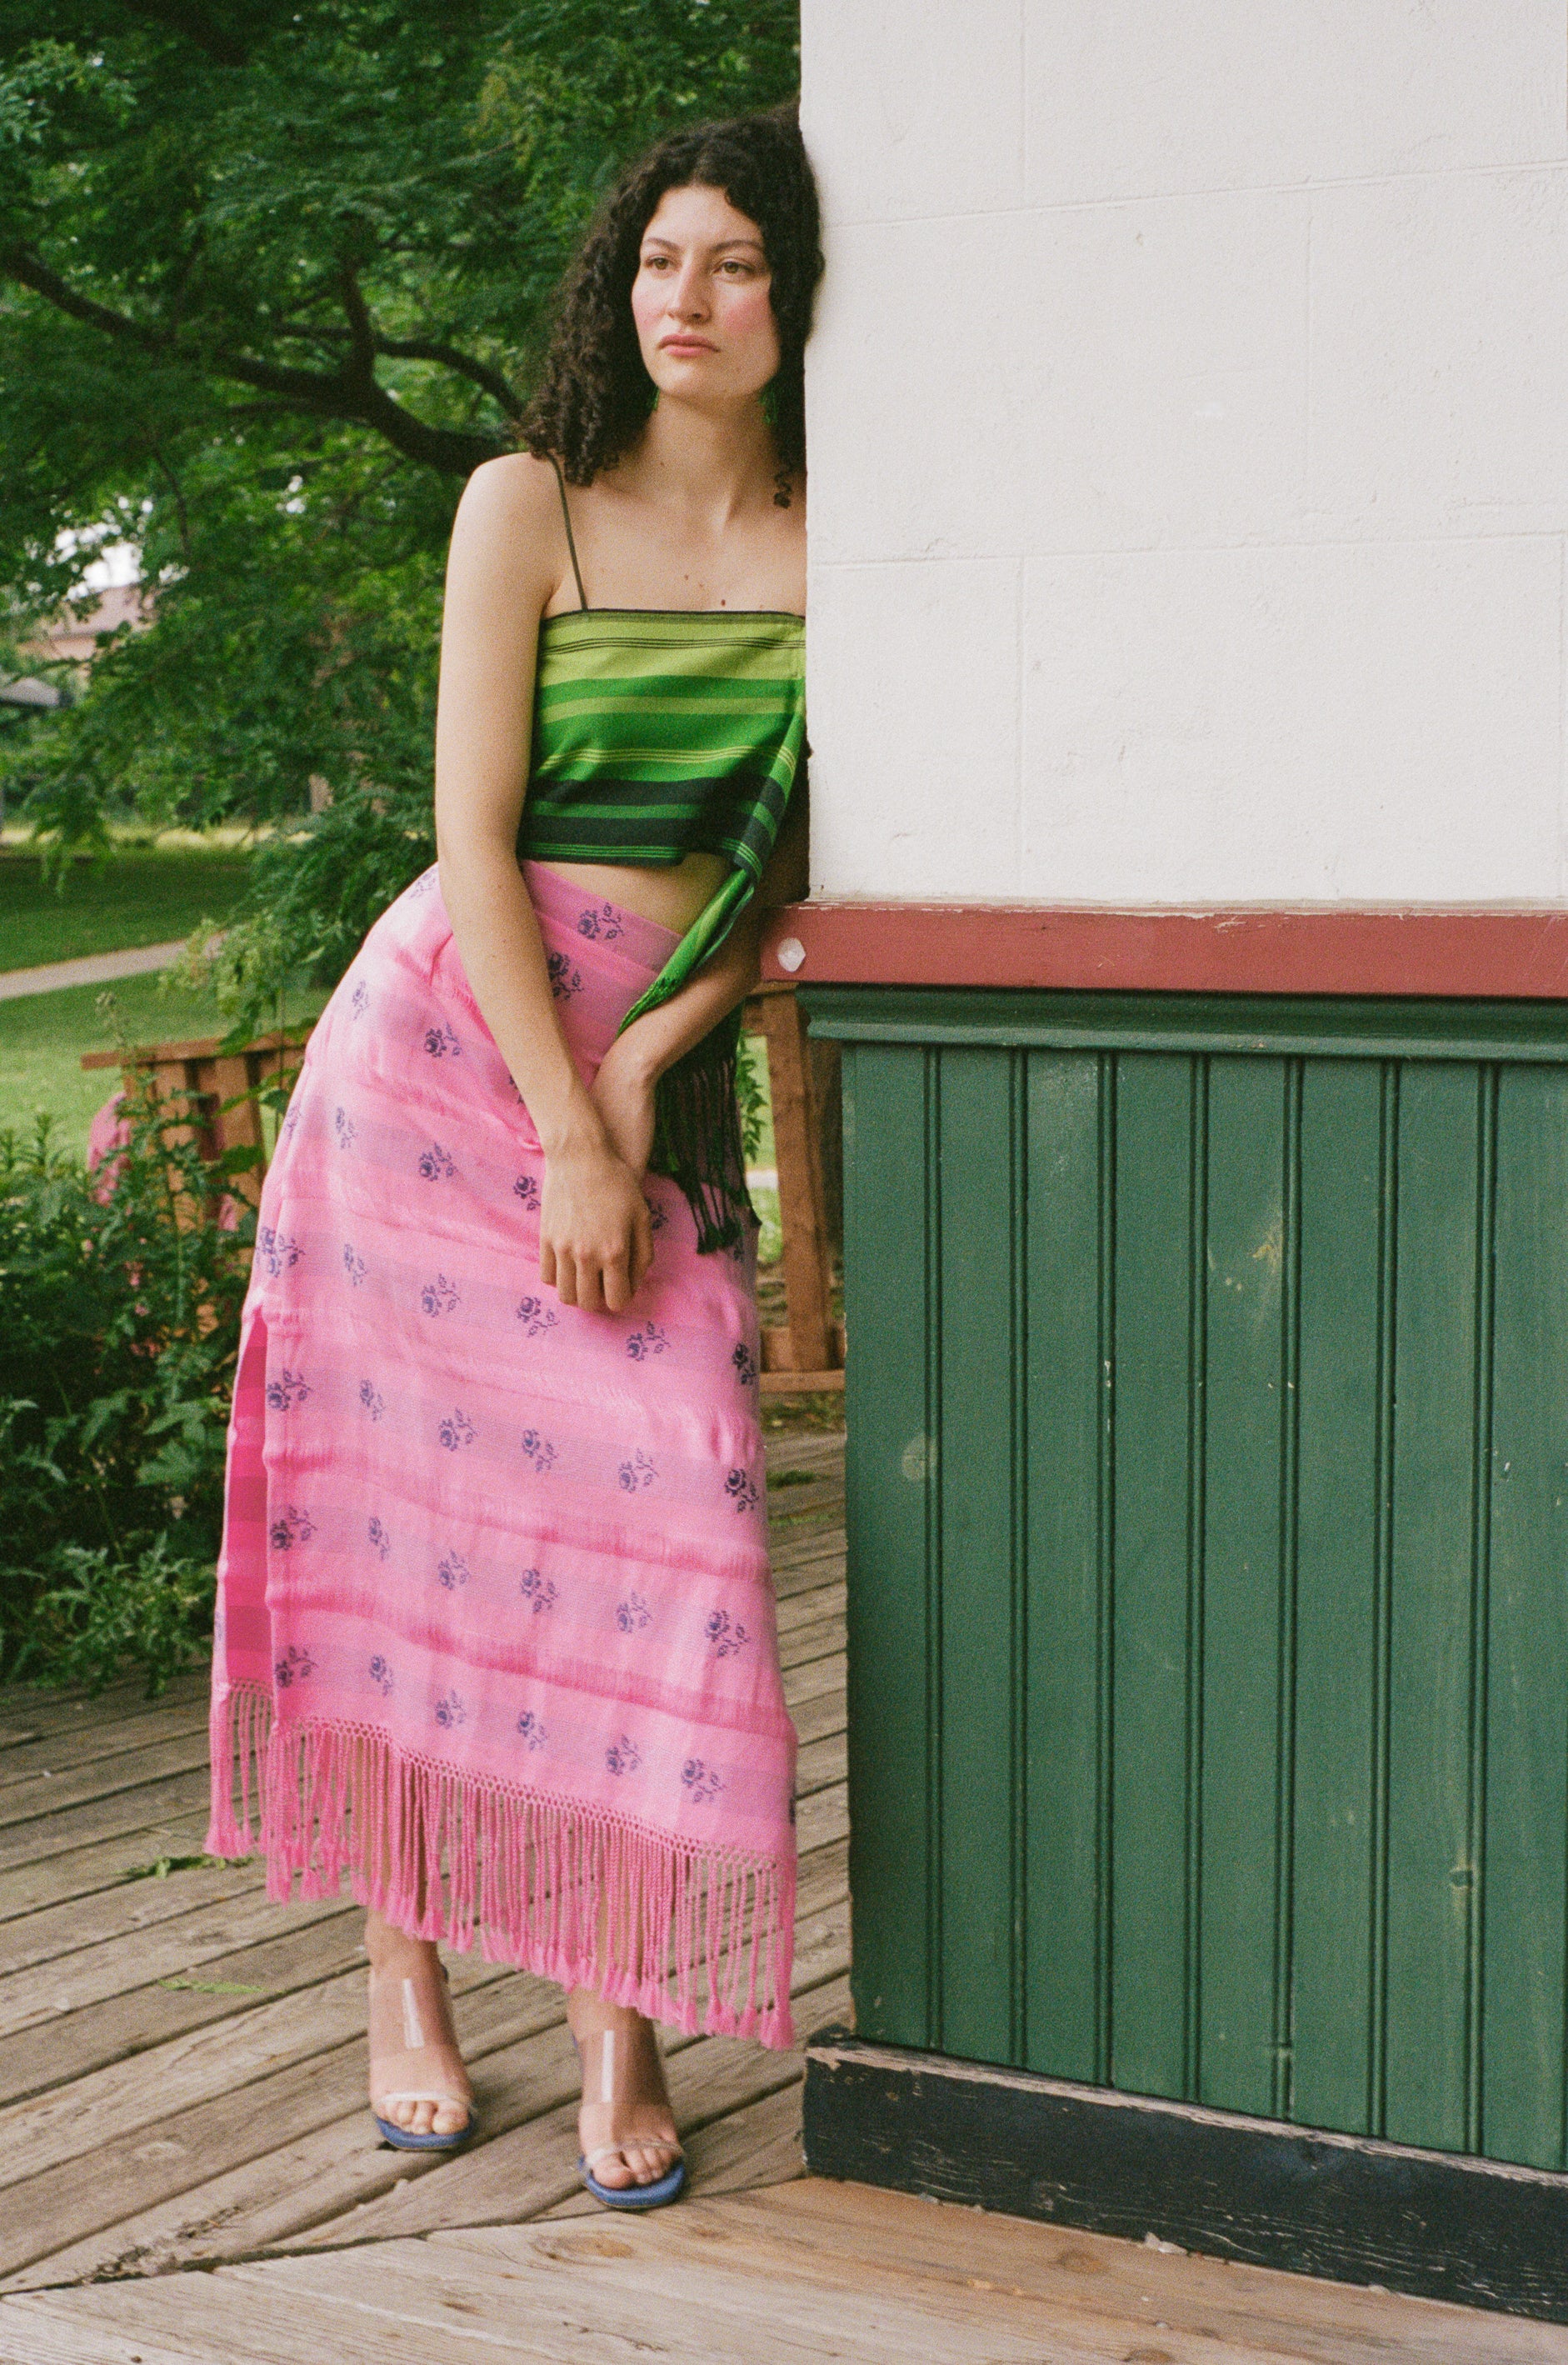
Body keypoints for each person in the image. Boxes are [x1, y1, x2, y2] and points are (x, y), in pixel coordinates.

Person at [205, 107, 821, 2211]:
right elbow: (471, 835)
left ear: (792, 293)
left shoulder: (850, 542)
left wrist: (646, 1062)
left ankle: (614, 2012)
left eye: (733, 262)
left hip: (625, 1062)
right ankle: (406, 1984)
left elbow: (789, 878)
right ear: (613, 286)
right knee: (409, 1546)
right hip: (438, 1069)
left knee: (669, 1518)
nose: (688, 300)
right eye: (660, 260)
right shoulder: (526, 504)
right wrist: (566, 1112)